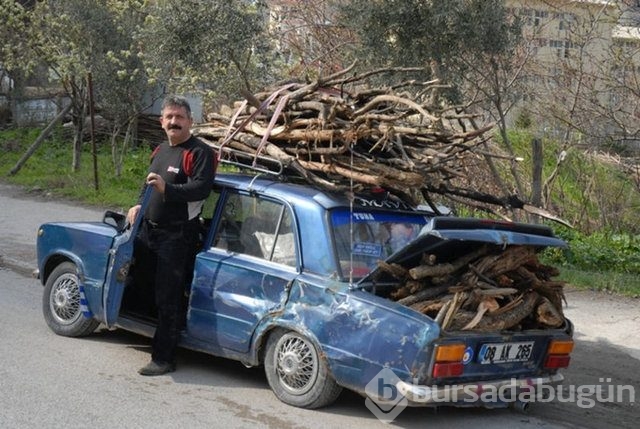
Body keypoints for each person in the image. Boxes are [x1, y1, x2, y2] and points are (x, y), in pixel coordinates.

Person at [126, 95, 216, 376]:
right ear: (161, 121)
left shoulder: (200, 152)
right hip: (148, 229)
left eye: (179, 117)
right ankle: (144, 331)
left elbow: (201, 188)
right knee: (139, 280)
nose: (174, 122)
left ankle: (164, 358)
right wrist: (139, 204)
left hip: (177, 236)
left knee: (169, 296)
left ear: (190, 121)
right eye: (169, 117)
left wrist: (169, 190)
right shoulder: (160, 150)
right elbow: (150, 183)